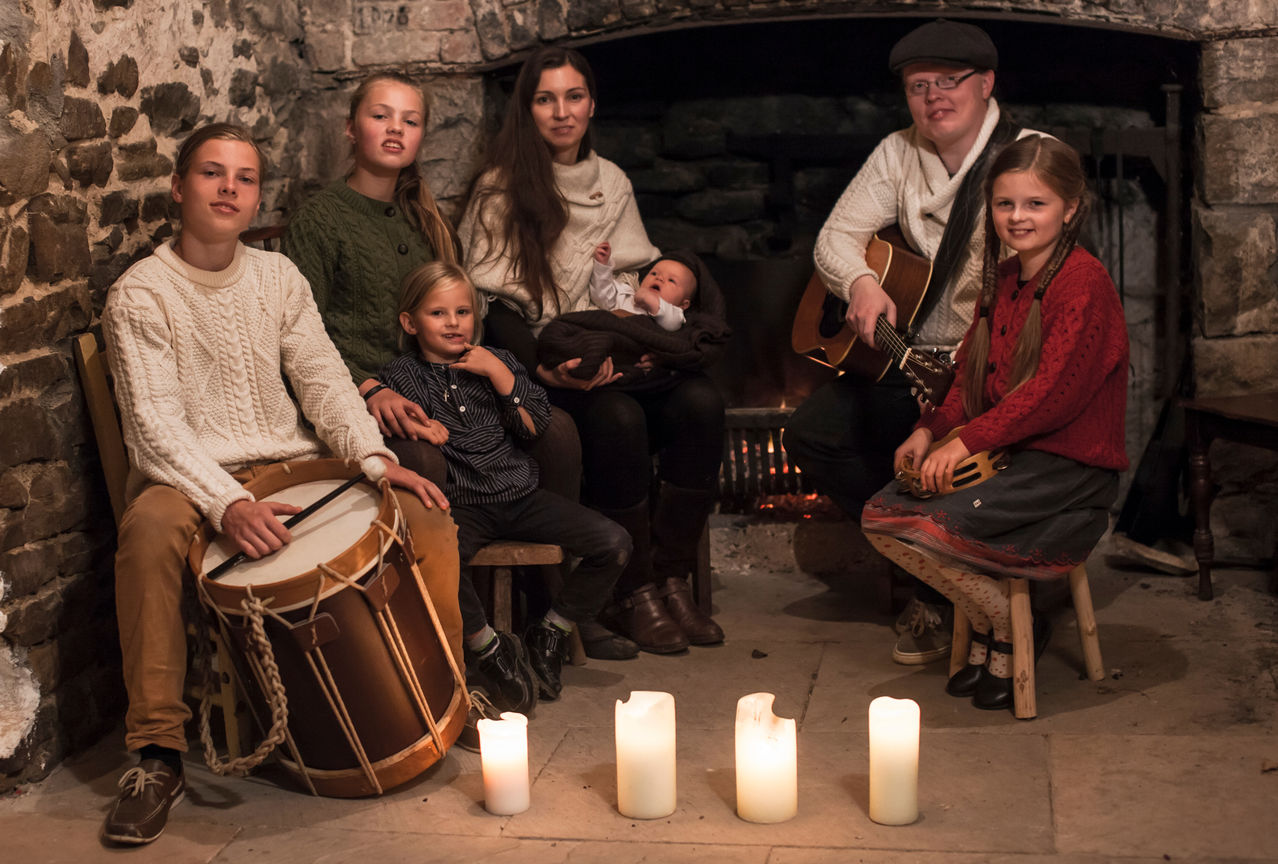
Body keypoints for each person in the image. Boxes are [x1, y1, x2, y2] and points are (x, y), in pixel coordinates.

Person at [99, 124, 461, 845]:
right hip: (192, 477)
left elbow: (324, 380)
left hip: (291, 467)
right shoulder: (140, 294)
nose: (230, 188)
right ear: (179, 188)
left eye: (245, 177)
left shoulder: (277, 277)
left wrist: (371, 456)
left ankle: (437, 697)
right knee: (146, 533)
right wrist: (226, 502)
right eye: (212, 173)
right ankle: (156, 751)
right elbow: (154, 430)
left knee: (423, 516)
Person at [785, 18, 1042, 666]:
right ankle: (925, 573)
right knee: (813, 434)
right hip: (912, 357)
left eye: (948, 81)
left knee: (926, 436)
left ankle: (945, 580)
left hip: (990, 364)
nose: (933, 97)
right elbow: (834, 239)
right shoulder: (898, 152)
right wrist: (864, 283)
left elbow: (1050, 278)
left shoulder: (1029, 155)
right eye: (918, 85)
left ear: (986, 84)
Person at [459, 46, 726, 654]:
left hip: (620, 341)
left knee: (703, 402)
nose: (561, 112)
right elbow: (494, 302)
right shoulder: (501, 189)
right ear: (527, 110)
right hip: (547, 356)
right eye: (545, 99)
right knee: (616, 417)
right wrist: (545, 368)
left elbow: (636, 278)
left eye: (573, 97)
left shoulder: (613, 183)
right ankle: (630, 590)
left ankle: (670, 574)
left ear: (591, 104)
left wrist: (650, 341)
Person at [861, 134, 1129, 711]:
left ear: (1070, 208)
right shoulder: (1000, 280)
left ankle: (1003, 636)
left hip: (1069, 463)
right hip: (1013, 451)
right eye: (1006, 204)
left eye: (1036, 204)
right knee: (884, 516)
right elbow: (969, 381)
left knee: (936, 527)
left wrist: (966, 445)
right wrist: (929, 429)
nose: (1018, 217)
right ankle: (997, 625)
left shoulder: (1084, 283)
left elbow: (1052, 396)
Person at [281, 72, 581, 495]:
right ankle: (441, 558)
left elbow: (459, 311)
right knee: (422, 456)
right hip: (364, 394)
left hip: (443, 383)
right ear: (351, 128)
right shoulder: (319, 220)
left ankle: (548, 556)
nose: (395, 129)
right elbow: (301, 334)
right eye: (380, 116)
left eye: (410, 120)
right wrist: (368, 387)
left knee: (559, 429)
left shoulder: (428, 219)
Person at [381, 261, 639, 707]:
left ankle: (551, 630)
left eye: (462, 312)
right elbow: (392, 419)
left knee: (614, 542)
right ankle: (488, 647)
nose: (453, 323)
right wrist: (418, 429)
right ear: (410, 322)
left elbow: (534, 426)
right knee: (440, 561)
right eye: (438, 313)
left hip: (521, 497)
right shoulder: (402, 376)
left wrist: (499, 375)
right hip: (462, 505)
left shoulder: (498, 361)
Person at [591, 241, 697, 331]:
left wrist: (650, 300)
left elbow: (672, 325)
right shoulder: (626, 293)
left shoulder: (675, 314)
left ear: (683, 305)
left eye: (671, 280)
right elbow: (601, 297)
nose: (659, 278)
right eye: (654, 273)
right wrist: (602, 266)